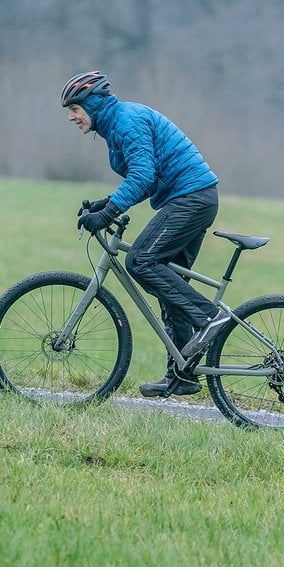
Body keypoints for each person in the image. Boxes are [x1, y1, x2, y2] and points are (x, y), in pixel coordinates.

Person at [62, 71, 230, 397]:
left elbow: (142, 176)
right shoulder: (115, 125)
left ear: (93, 105)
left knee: (140, 260)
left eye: (75, 109)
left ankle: (209, 318)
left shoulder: (126, 121)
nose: (71, 117)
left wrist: (108, 214)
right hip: (191, 198)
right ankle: (182, 375)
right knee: (170, 286)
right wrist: (107, 203)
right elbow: (147, 179)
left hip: (190, 199)